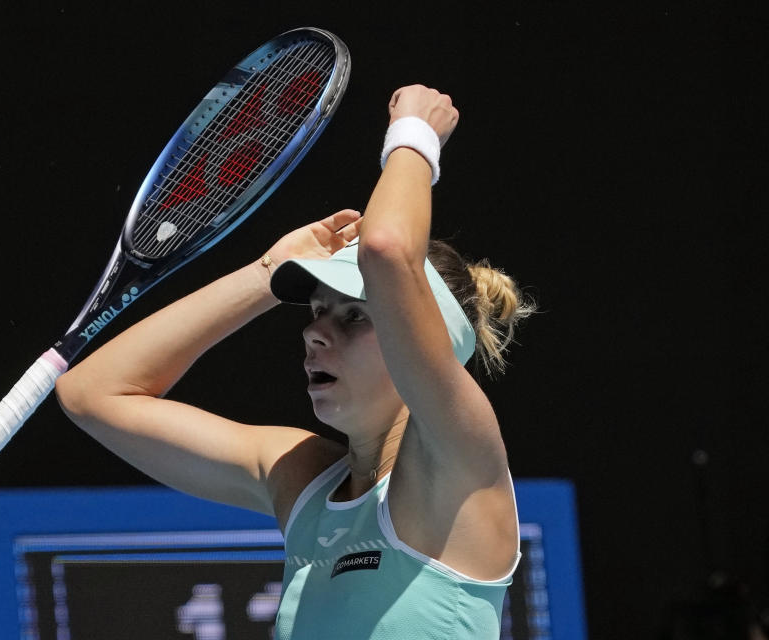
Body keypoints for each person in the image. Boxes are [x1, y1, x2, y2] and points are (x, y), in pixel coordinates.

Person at [55, 84, 534, 639]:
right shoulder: (302, 481)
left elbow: (385, 249)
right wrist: (265, 273)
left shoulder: (459, 457)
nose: (313, 332)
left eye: (354, 316)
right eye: (315, 311)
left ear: (428, 343)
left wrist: (414, 136)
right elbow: (92, 395)